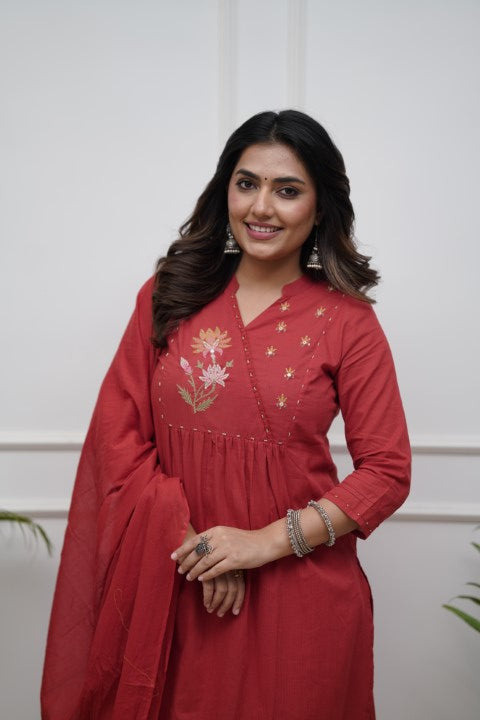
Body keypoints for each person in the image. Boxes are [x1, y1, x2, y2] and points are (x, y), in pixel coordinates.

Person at [41, 110, 411, 720]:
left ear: (320, 208)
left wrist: (260, 544)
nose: (261, 207)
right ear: (225, 191)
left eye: (287, 190)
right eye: (247, 184)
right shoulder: (170, 293)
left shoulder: (348, 321)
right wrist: (197, 547)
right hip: (177, 583)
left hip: (299, 597)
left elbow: (387, 472)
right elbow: (118, 432)